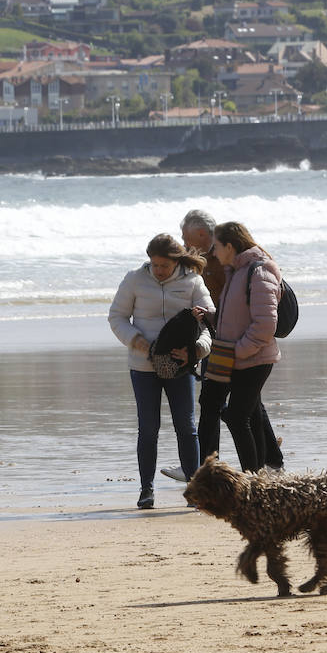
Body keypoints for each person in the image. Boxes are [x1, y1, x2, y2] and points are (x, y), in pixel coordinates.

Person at [173, 210, 283, 477]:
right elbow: (232, 312)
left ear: (229, 246)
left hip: (248, 356)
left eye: (217, 247)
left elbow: (266, 324)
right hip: (232, 352)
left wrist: (238, 351)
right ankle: (244, 471)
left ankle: (253, 476)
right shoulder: (234, 269)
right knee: (234, 412)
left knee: (238, 415)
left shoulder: (259, 270)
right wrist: (210, 317)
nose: (213, 251)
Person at [109, 234, 214, 509]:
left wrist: (195, 351)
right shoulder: (134, 279)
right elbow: (117, 316)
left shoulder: (192, 281)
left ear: (176, 262)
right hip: (143, 365)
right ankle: (146, 490)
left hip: (181, 366)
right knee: (148, 428)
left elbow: (209, 320)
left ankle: (195, 489)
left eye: (164, 266)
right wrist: (135, 339)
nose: (158, 270)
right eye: (154, 265)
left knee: (186, 426)